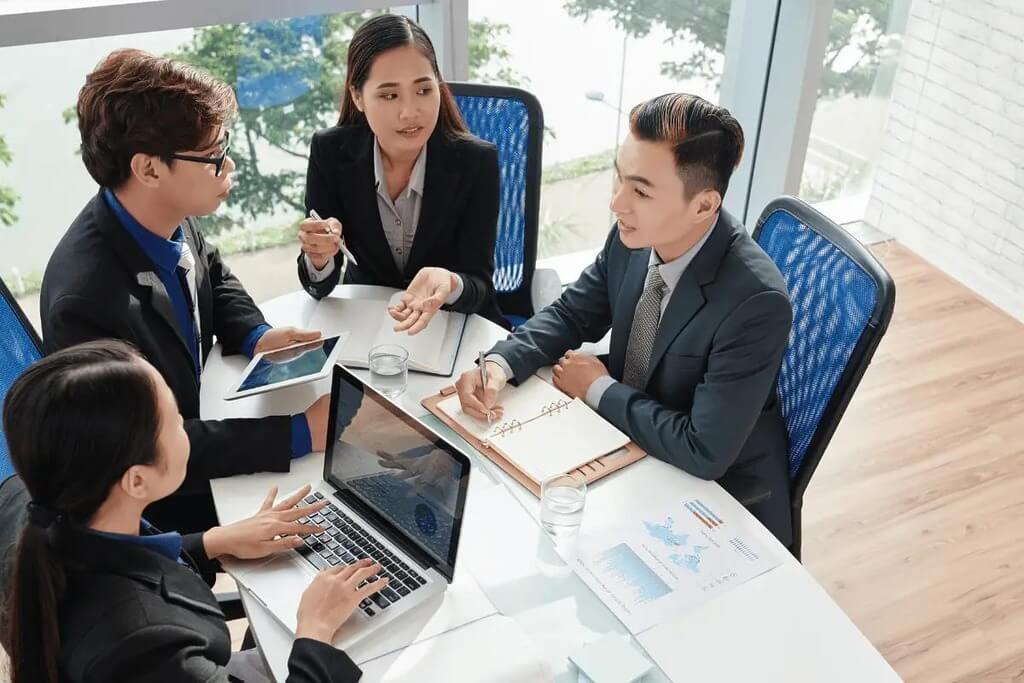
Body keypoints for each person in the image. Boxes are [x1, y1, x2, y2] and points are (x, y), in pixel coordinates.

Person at [455, 94, 795, 546]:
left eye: (641, 190)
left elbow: (704, 450)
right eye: (619, 179)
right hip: (629, 443)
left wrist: (596, 388)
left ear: (704, 206)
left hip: (713, 500)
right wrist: (501, 363)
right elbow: (575, 311)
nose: (617, 203)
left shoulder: (756, 302)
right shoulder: (636, 234)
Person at [40, 49, 330, 533]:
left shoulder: (159, 213)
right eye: (214, 155)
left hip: (208, 423)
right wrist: (300, 432)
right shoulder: (87, 303)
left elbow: (210, 269)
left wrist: (256, 334)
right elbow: (151, 453)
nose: (228, 163)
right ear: (149, 170)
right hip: (171, 508)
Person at [0, 340, 387, 683]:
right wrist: (314, 631)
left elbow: (122, 565)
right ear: (136, 481)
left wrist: (212, 542)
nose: (187, 428)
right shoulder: (145, 645)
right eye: (175, 423)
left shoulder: (43, 505)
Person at [296, 14, 505, 333]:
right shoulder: (331, 153)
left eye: (423, 90)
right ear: (357, 97)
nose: (410, 112)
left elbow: (479, 287)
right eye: (389, 95)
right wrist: (319, 259)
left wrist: (450, 284)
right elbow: (320, 288)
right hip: (368, 327)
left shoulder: (476, 161)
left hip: (450, 327)